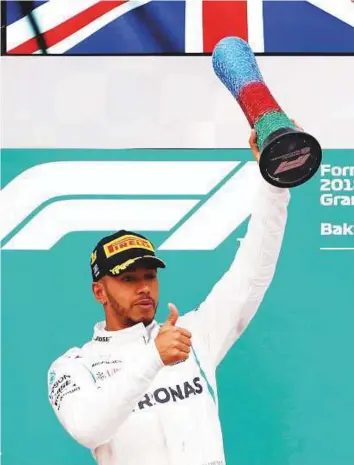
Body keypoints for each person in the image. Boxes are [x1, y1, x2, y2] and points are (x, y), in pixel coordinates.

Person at [47, 129, 291, 465]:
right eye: (128, 279)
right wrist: (154, 358)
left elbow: (252, 274)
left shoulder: (193, 335)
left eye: (149, 276)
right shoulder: (73, 367)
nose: (144, 287)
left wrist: (274, 185)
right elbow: (88, 429)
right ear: (99, 291)